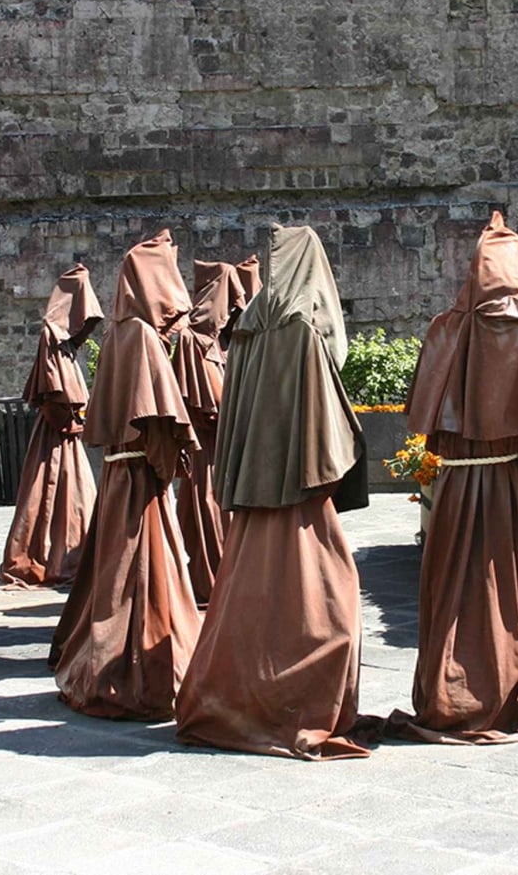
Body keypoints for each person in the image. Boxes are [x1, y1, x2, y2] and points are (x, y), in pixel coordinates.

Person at [390, 210, 518, 743]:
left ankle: (450, 692)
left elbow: (426, 423)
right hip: (506, 487)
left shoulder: (444, 329)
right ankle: (515, 689)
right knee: (512, 589)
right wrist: (513, 455)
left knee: (455, 589)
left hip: (455, 487)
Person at [175, 224, 371, 760]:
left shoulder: (247, 328)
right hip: (299, 500)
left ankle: (239, 700)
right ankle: (297, 706)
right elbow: (324, 424)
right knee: (324, 604)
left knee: (249, 600)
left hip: (252, 498)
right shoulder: (301, 330)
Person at [48, 230, 201, 720]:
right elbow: (156, 420)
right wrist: (171, 460)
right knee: (140, 571)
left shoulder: (120, 333)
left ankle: (104, 658)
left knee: (116, 570)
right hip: (139, 480)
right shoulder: (142, 337)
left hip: (120, 476)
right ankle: (135, 667)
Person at [0, 264, 104, 588]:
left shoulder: (66, 345)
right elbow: (52, 389)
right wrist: (68, 418)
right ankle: (49, 554)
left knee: (74, 494)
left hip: (66, 435)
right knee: (52, 489)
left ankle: (73, 550)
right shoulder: (52, 336)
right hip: (56, 434)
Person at [172, 260, 248, 604]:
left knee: (227, 516)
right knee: (206, 510)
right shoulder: (191, 341)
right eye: (227, 304)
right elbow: (196, 401)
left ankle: (230, 580)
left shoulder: (222, 343)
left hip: (226, 448)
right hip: (205, 449)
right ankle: (209, 581)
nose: (231, 312)